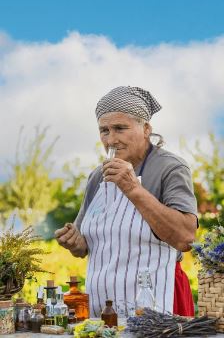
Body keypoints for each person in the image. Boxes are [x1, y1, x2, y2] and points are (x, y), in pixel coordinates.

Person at [55, 86, 197, 317]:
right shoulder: (97, 177)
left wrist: (132, 187)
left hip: (160, 299)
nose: (111, 140)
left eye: (120, 128)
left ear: (146, 129)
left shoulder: (170, 168)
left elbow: (185, 238)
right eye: (104, 130)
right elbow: (84, 247)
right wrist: (73, 241)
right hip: (105, 306)